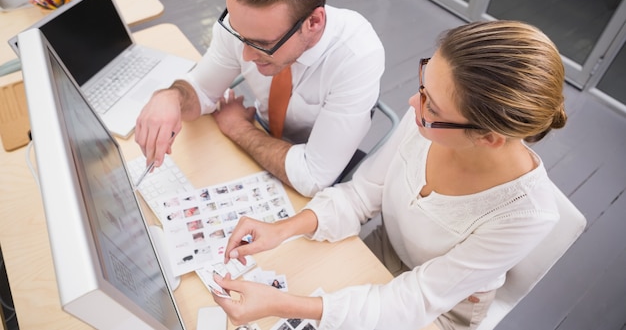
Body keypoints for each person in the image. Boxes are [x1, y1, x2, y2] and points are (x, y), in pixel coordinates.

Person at [211, 20, 567, 330]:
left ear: (489, 138)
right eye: (424, 84)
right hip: (383, 252)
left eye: (432, 105)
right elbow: (361, 195)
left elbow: (416, 300)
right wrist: (282, 229)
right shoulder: (428, 124)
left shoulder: (527, 214)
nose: (414, 102)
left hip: (441, 311)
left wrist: (283, 303)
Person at [135, 0, 385, 197]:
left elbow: (314, 176)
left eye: (262, 44)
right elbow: (204, 90)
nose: (245, 56)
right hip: (266, 148)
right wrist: (171, 96)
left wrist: (239, 128)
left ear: (313, 22)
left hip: (312, 171)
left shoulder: (358, 54)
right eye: (238, 34)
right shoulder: (244, 24)